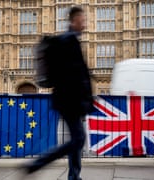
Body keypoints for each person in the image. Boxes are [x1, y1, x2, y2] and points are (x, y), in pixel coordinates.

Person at [23, 6, 94, 180]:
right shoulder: (69, 40)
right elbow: (74, 74)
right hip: (69, 100)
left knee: (77, 139)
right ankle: (37, 164)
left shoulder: (70, 40)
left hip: (69, 100)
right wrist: (84, 95)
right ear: (74, 21)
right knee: (77, 139)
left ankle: (74, 176)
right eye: (82, 20)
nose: (85, 24)